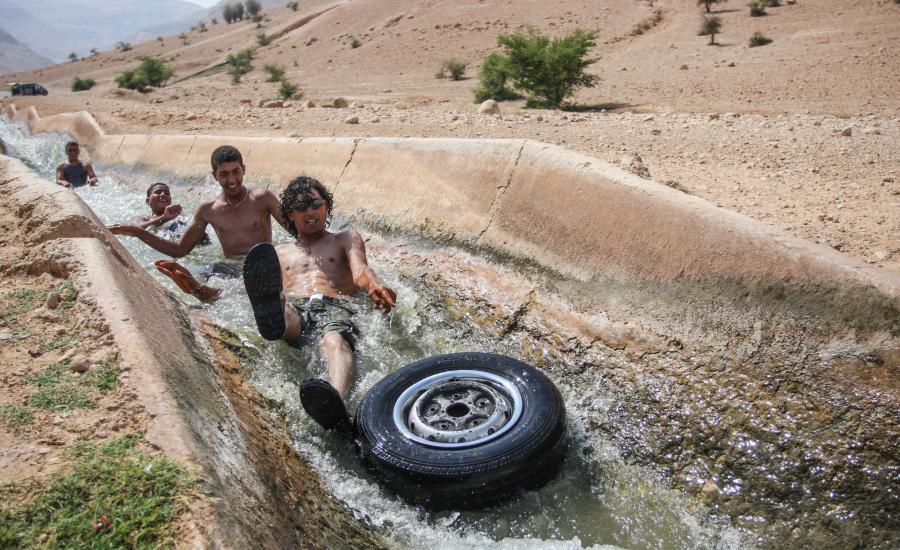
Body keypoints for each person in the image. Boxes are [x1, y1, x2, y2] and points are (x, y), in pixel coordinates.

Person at [243, 176, 396, 431]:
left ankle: (334, 399)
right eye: (301, 208)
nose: (310, 212)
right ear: (290, 215)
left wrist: (374, 285)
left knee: (334, 340)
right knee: (283, 311)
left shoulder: (344, 238)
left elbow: (360, 270)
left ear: (326, 206)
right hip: (296, 305)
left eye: (315, 203)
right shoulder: (279, 252)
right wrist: (198, 289)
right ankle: (276, 320)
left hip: (335, 306)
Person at [109, 145, 287, 302]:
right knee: (207, 270)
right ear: (215, 176)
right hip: (231, 268)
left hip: (263, 264)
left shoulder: (262, 198)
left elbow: (295, 230)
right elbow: (180, 249)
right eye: (224, 174)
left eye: (236, 172)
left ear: (244, 170)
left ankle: (204, 293)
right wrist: (137, 232)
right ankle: (201, 290)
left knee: (245, 283)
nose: (232, 180)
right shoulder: (208, 209)